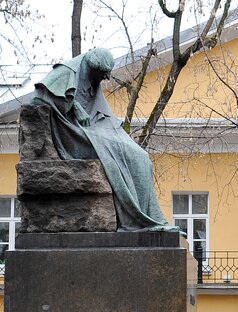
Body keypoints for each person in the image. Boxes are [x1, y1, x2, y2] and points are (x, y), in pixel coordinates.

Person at [31, 47, 174, 231]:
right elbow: (37, 99)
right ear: (93, 69)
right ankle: (138, 219)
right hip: (73, 133)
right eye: (103, 74)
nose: (106, 79)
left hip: (97, 130)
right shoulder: (67, 72)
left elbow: (101, 112)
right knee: (120, 155)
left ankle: (151, 218)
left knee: (141, 157)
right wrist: (72, 105)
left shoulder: (91, 74)